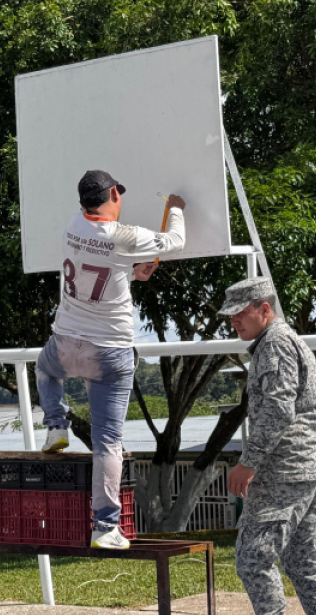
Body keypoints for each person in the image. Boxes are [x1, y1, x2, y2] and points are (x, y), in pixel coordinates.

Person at [36, 170, 187, 550]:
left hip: (67, 344)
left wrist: (132, 272)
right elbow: (175, 241)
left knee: (44, 368)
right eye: (119, 193)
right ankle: (104, 528)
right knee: (107, 442)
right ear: (113, 196)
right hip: (110, 353)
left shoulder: (74, 226)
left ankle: (56, 426)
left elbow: (99, 269)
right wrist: (177, 207)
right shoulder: (125, 237)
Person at [222, 279, 316, 615]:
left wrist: (249, 462)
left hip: (283, 472)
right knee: (305, 562)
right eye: (230, 316)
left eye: (241, 313)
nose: (234, 321)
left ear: (265, 309)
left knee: (253, 561)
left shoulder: (274, 343)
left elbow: (277, 408)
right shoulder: (286, 340)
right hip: (308, 467)